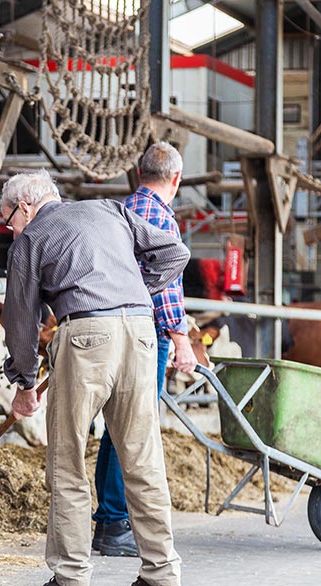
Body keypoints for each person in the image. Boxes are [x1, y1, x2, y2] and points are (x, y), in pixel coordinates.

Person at [1, 170, 189, 586]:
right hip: (142, 332)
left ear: (25, 207)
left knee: (67, 461)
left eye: (8, 217)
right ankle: (162, 573)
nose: (9, 227)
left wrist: (24, 381)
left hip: (85, 335)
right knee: (143, 458)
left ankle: (71, 577)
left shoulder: (30, 239)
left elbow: (21, 320)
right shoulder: (110, 210)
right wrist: (138, 291)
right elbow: (174, 252)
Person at [92, 141, 198, 557]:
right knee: (134, 429)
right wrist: (181, 339)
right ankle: (116, 521)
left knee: (114, 428)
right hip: (144, 334)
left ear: (139, 174)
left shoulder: (121, 211)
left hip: (113, 330)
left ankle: (108, 521)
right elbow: (168, 285)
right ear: (176, 179)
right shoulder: (159, 216)